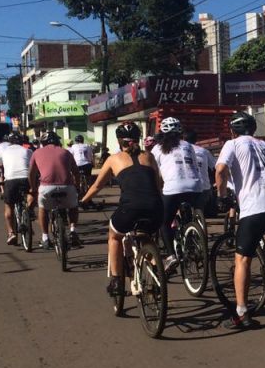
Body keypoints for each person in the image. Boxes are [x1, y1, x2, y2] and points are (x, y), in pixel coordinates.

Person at [214, 111, 265, 330]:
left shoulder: (232, 144)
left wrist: (222, 198)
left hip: (253, 209)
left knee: (243, 260)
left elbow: (220, 170)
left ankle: (242, 312)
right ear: (254, 129)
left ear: (233, 131)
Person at [81, 122, 163, 297]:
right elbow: (159, 185)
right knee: (146, 236)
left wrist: (84, 200)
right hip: (155, 207)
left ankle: (117, 281)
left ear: (119, 142)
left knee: (114, 236)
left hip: (130, 208)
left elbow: (96, 186)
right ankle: (157, 272)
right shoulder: (149, 156)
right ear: (138, 140)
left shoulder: (113, 159)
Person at [150, 117, 206, 273]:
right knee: (188, 218)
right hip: (196, 187)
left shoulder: (158, 148)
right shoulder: (189, 146)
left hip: (173, 188)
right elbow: (195, 166)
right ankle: (194, 237)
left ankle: (171, 256)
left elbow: (155, 173)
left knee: (164, 222)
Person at [28, 131, 81, 250]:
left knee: (43, 209)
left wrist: (32, 188)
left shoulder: (37, 153)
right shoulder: (66, 152)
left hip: (46, 188)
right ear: (58, 141)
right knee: (73, 206)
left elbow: (31, 173)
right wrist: (77, 187)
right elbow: (76, 173)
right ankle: (73, 231)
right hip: (67, 187)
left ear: (43, 143)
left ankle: (45, 237)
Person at [0, 132, 33, 245]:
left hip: (11, 181)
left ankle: (11, 233)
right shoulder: (27, 151)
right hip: (26, 179)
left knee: (9, 206)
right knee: (31, 194)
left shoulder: (4, 151)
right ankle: (28, 211)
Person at [185, 129, 215, 220]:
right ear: (196, 139)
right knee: (199, 207)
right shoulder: (204, 151)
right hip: (204, 187)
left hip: (187, 187)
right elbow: (214, 167)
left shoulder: (180, 151)